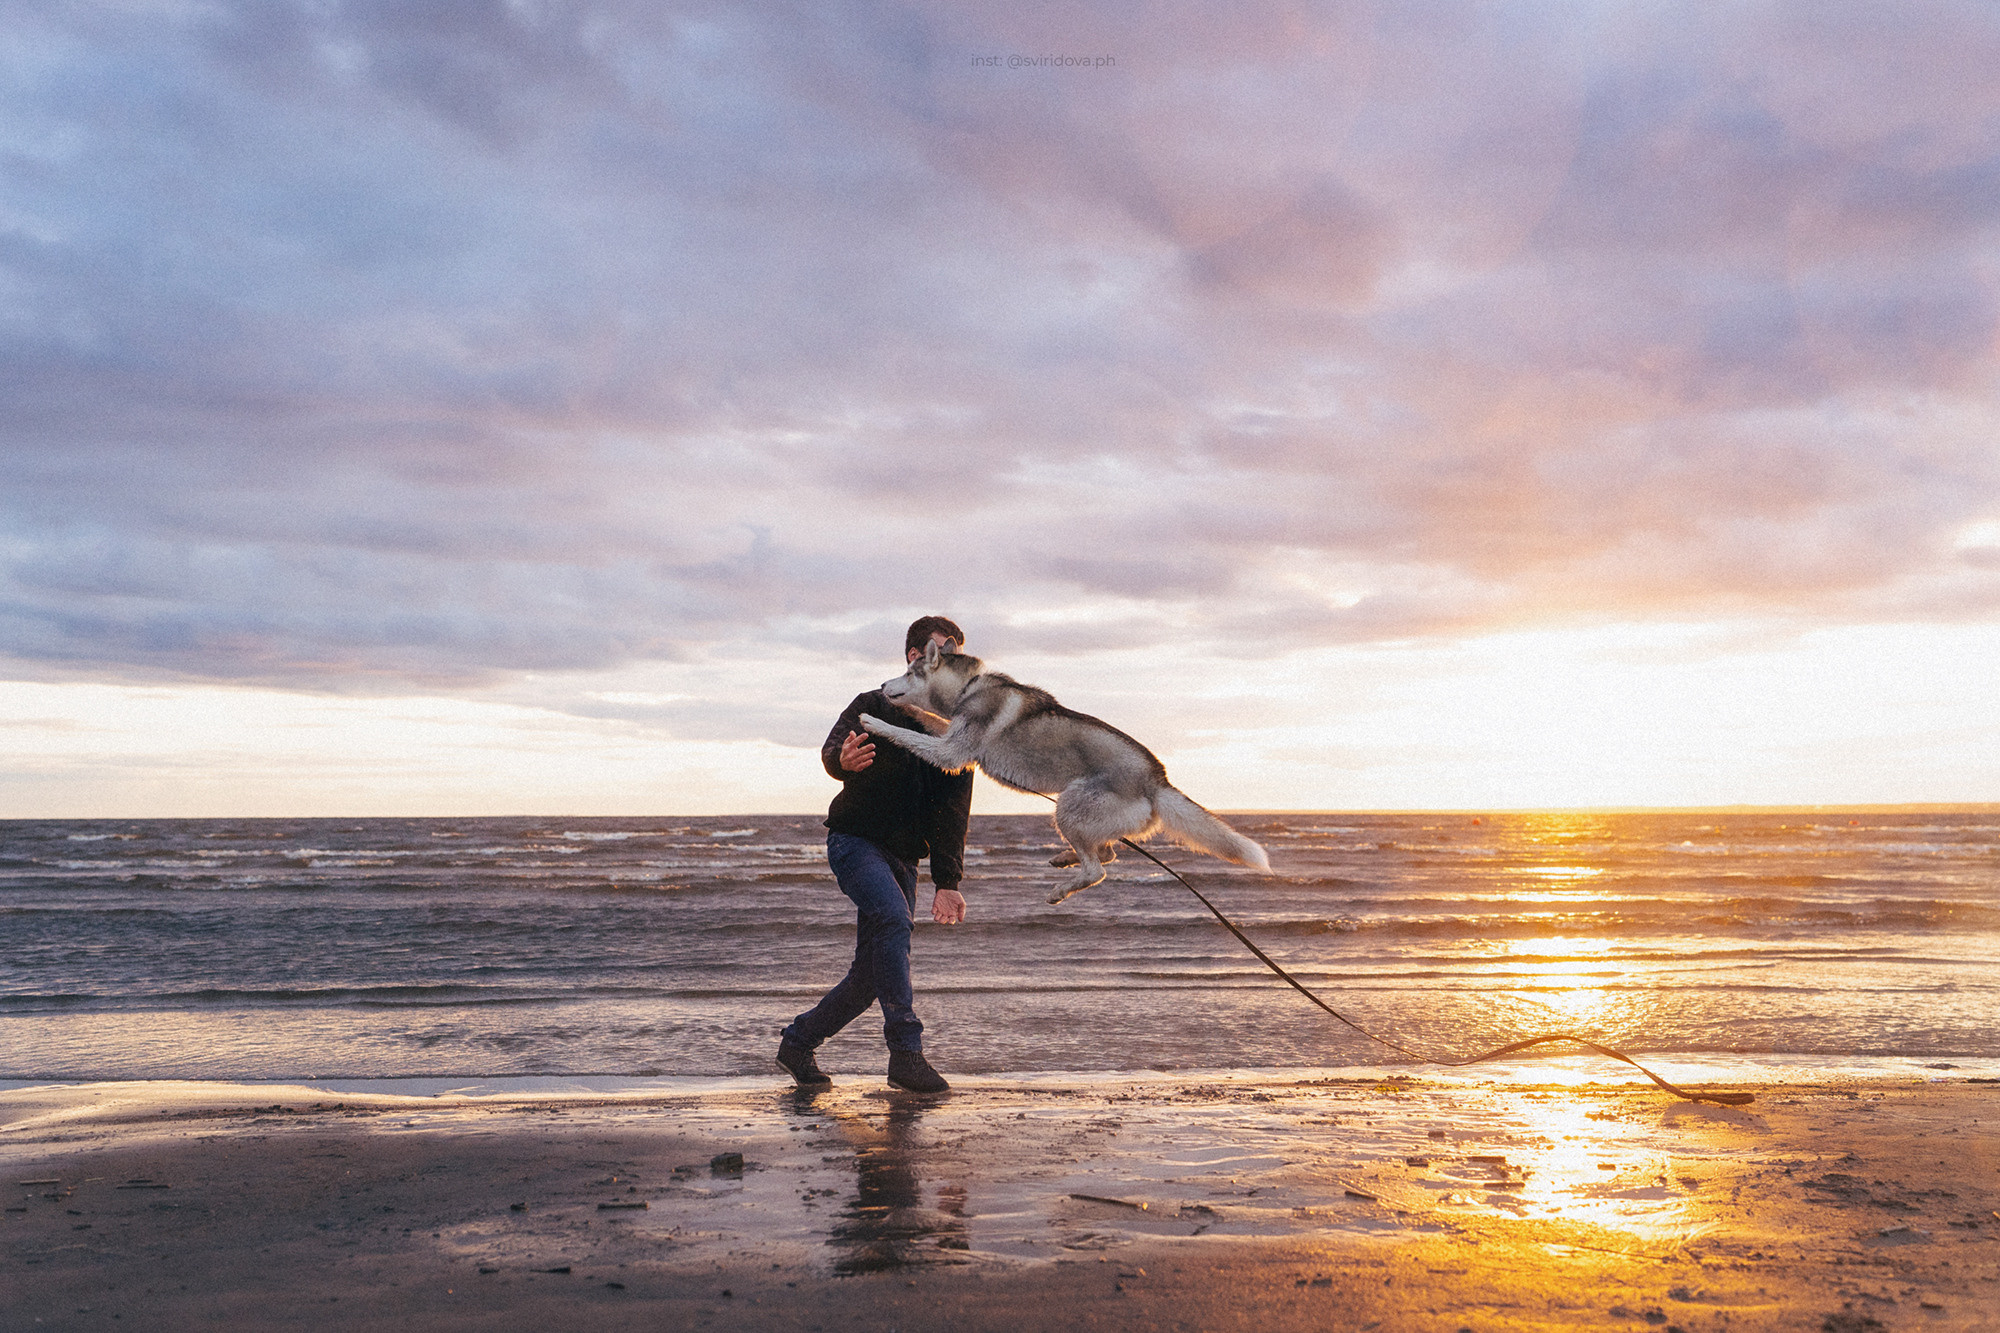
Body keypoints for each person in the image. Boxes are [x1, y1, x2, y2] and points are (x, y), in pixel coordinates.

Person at [776, 616, 974, 1093]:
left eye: (955, 654)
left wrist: (947, 882)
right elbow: (833, 749)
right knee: (893, 919)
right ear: (914, 656)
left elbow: (952, 811)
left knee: (870, 977)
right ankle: (906, 1053)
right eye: (940, 651)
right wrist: (840, 761)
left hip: (904, 858)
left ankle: (798, 1043)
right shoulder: (873, 703)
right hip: (855, 841)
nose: (948, 661)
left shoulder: (956, 731)